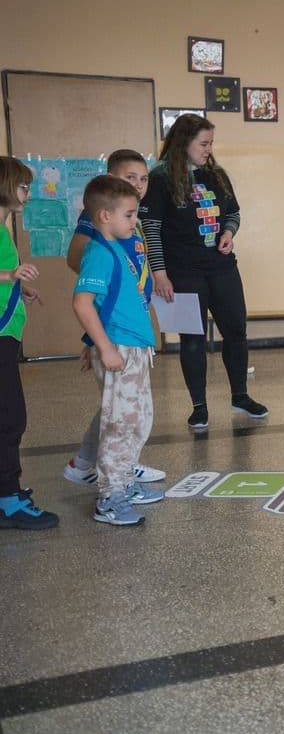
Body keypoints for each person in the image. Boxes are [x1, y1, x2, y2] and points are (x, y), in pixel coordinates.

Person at [140, 114, 266, 431]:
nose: (209, 149)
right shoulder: (159, 179)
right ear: (184, 143)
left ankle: (240, 395)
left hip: (221, 268)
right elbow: (151, 230)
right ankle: (199, 407)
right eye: (204, 143)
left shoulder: (217, 175)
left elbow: (233, 213)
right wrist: (160, 273)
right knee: (193, 339)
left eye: (211, 143)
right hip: (182, 271)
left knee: (236, 331)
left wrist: (228, 232)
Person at [62, 150, 165, 486]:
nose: (138, 184)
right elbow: (87, 289)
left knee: (124, 410)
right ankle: (115, 480)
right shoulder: (101, 234)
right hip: (117, 335)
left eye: (143, 177)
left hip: (131, 332)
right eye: (129, 178)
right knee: (120, 414)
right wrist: (98, 340)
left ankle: (108, 464)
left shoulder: (129, 228)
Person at [0, 157, 57, 530]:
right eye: (23, 186)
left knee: (9, 415)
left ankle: (7, 490)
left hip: (8, 329)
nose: (28, 193)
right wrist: (9, 273)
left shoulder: (4, 224)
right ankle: (7, 500)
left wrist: (19, 285)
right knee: (9, 417)